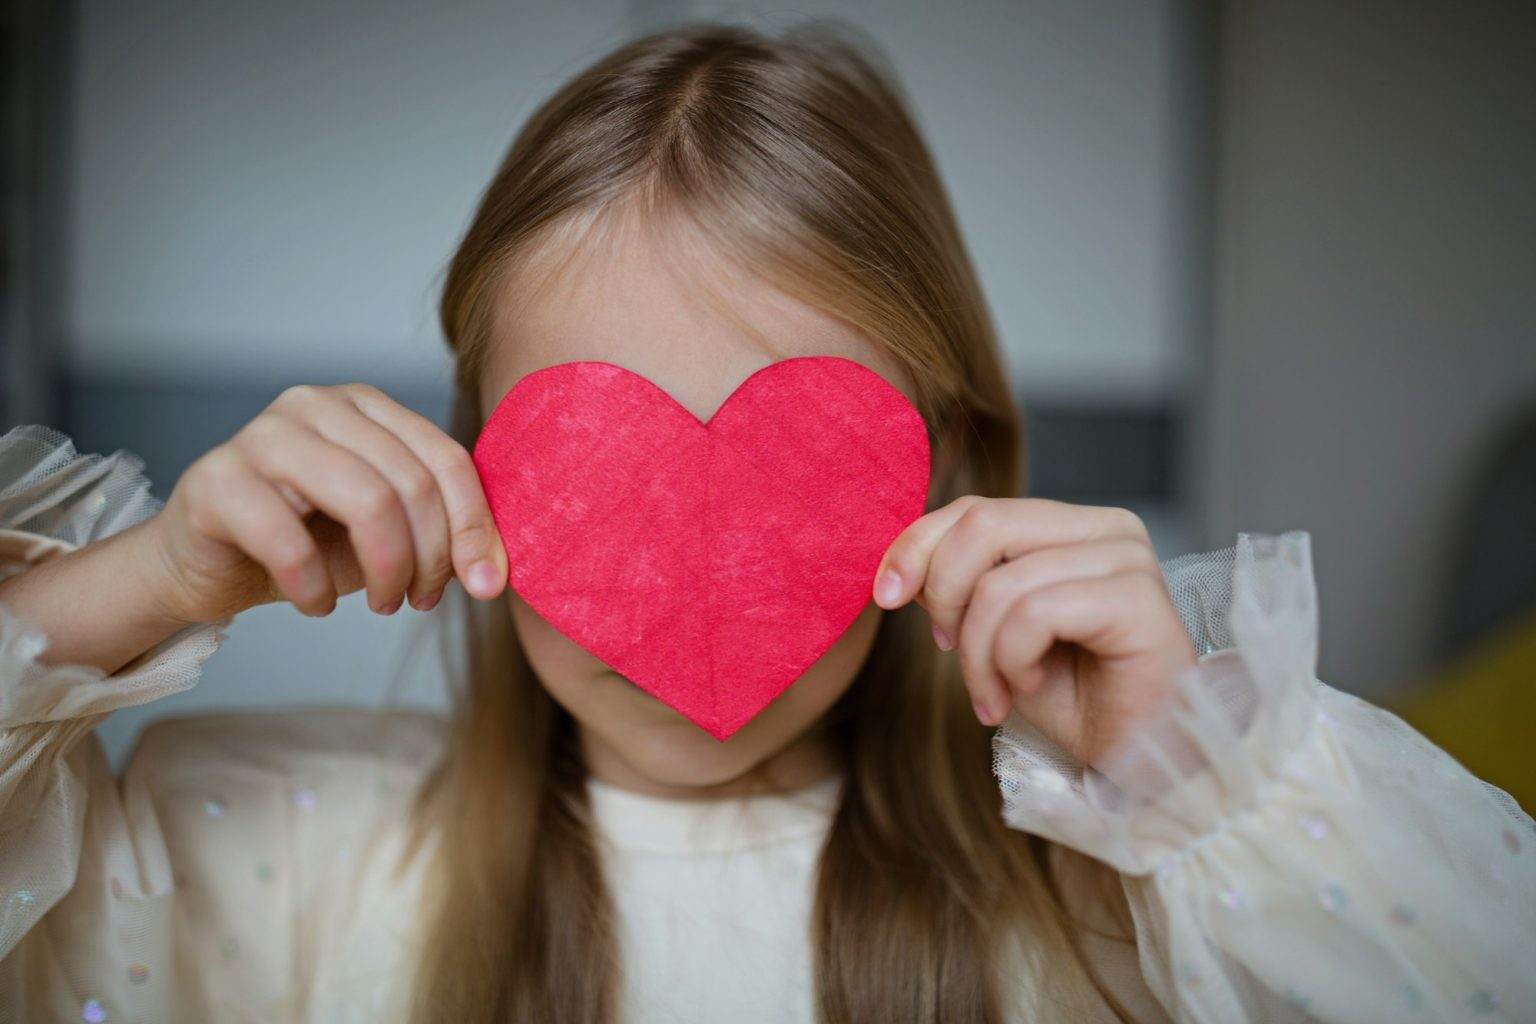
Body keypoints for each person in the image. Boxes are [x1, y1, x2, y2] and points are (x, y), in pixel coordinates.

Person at [1, 21, 1532, 1024]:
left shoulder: (1127, 913)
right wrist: (139, 584)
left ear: (943, 482)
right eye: (600, 480)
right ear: (467, 477)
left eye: (793, 483)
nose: (694, 594)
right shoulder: (258, 847)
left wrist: (1193, 770)